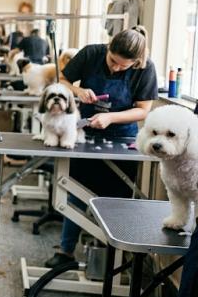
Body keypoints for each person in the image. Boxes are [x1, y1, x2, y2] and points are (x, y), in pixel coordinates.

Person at [44, 26, 157, 268]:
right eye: (113, 61)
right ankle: (65, 251)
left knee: (117, 197)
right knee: (74, 190)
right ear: (108, 48)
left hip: (121, 138)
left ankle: (113, 257)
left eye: (122, 66)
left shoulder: (146, 68)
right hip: (83, 131)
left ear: (135, 62)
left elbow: (143, 110)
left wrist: (111, 118)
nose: (115, 68)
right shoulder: (90, 54)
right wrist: (78, 90)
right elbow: (62, 80)